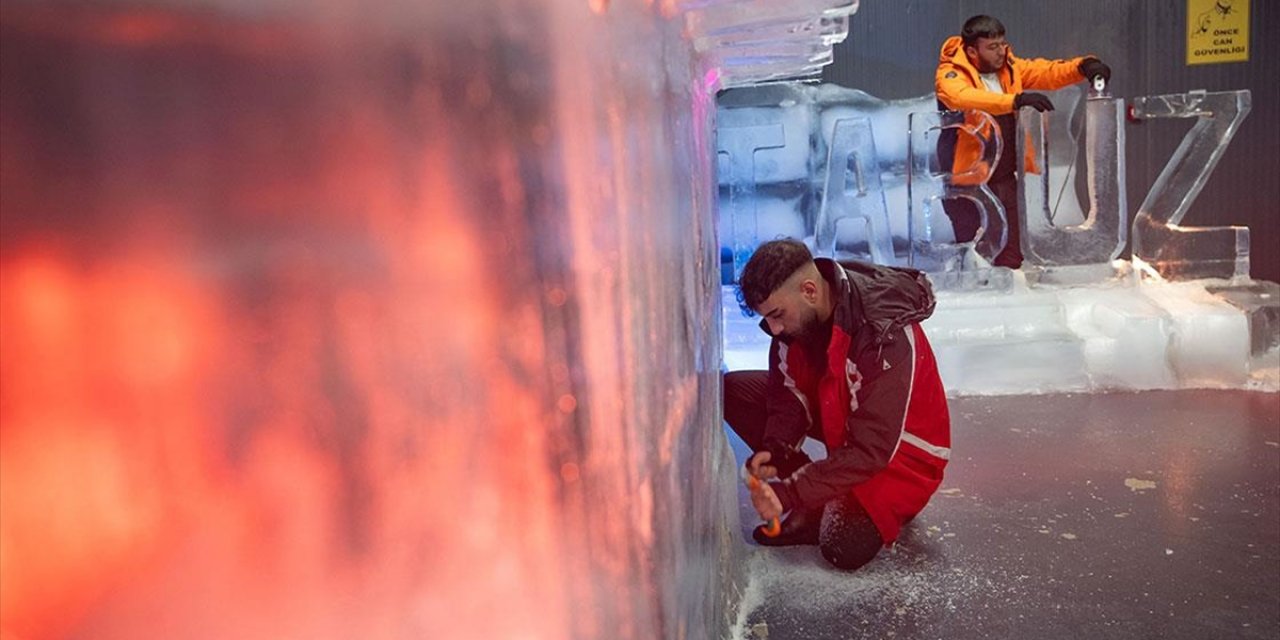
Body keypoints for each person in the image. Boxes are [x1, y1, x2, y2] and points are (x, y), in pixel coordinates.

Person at [723, 239, 951, 571]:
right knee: (735, 391)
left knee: (842, 547)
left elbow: (872, 449)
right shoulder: (799, 322)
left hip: (901, 454)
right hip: (843, 414)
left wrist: (790, 493)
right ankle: (817, 502)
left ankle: (818, 499)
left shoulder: (882, 332)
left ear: (810, 291)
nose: (772, 329)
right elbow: (786, 394)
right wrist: (776, 448)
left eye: (777, 315)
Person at [935, 14, 1112, 269]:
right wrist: (1014, 101)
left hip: (1006, 175)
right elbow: (963, 97)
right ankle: (979, 300)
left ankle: (1013, 294)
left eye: (1002, 44)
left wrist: (1083, 66)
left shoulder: (1009, 67)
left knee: (1012, 250)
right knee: (974, 253)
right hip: (968, 181)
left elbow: (1047, 72)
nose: (1001, 51)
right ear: (972, 51)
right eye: (992, 47)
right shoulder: (950, 73)